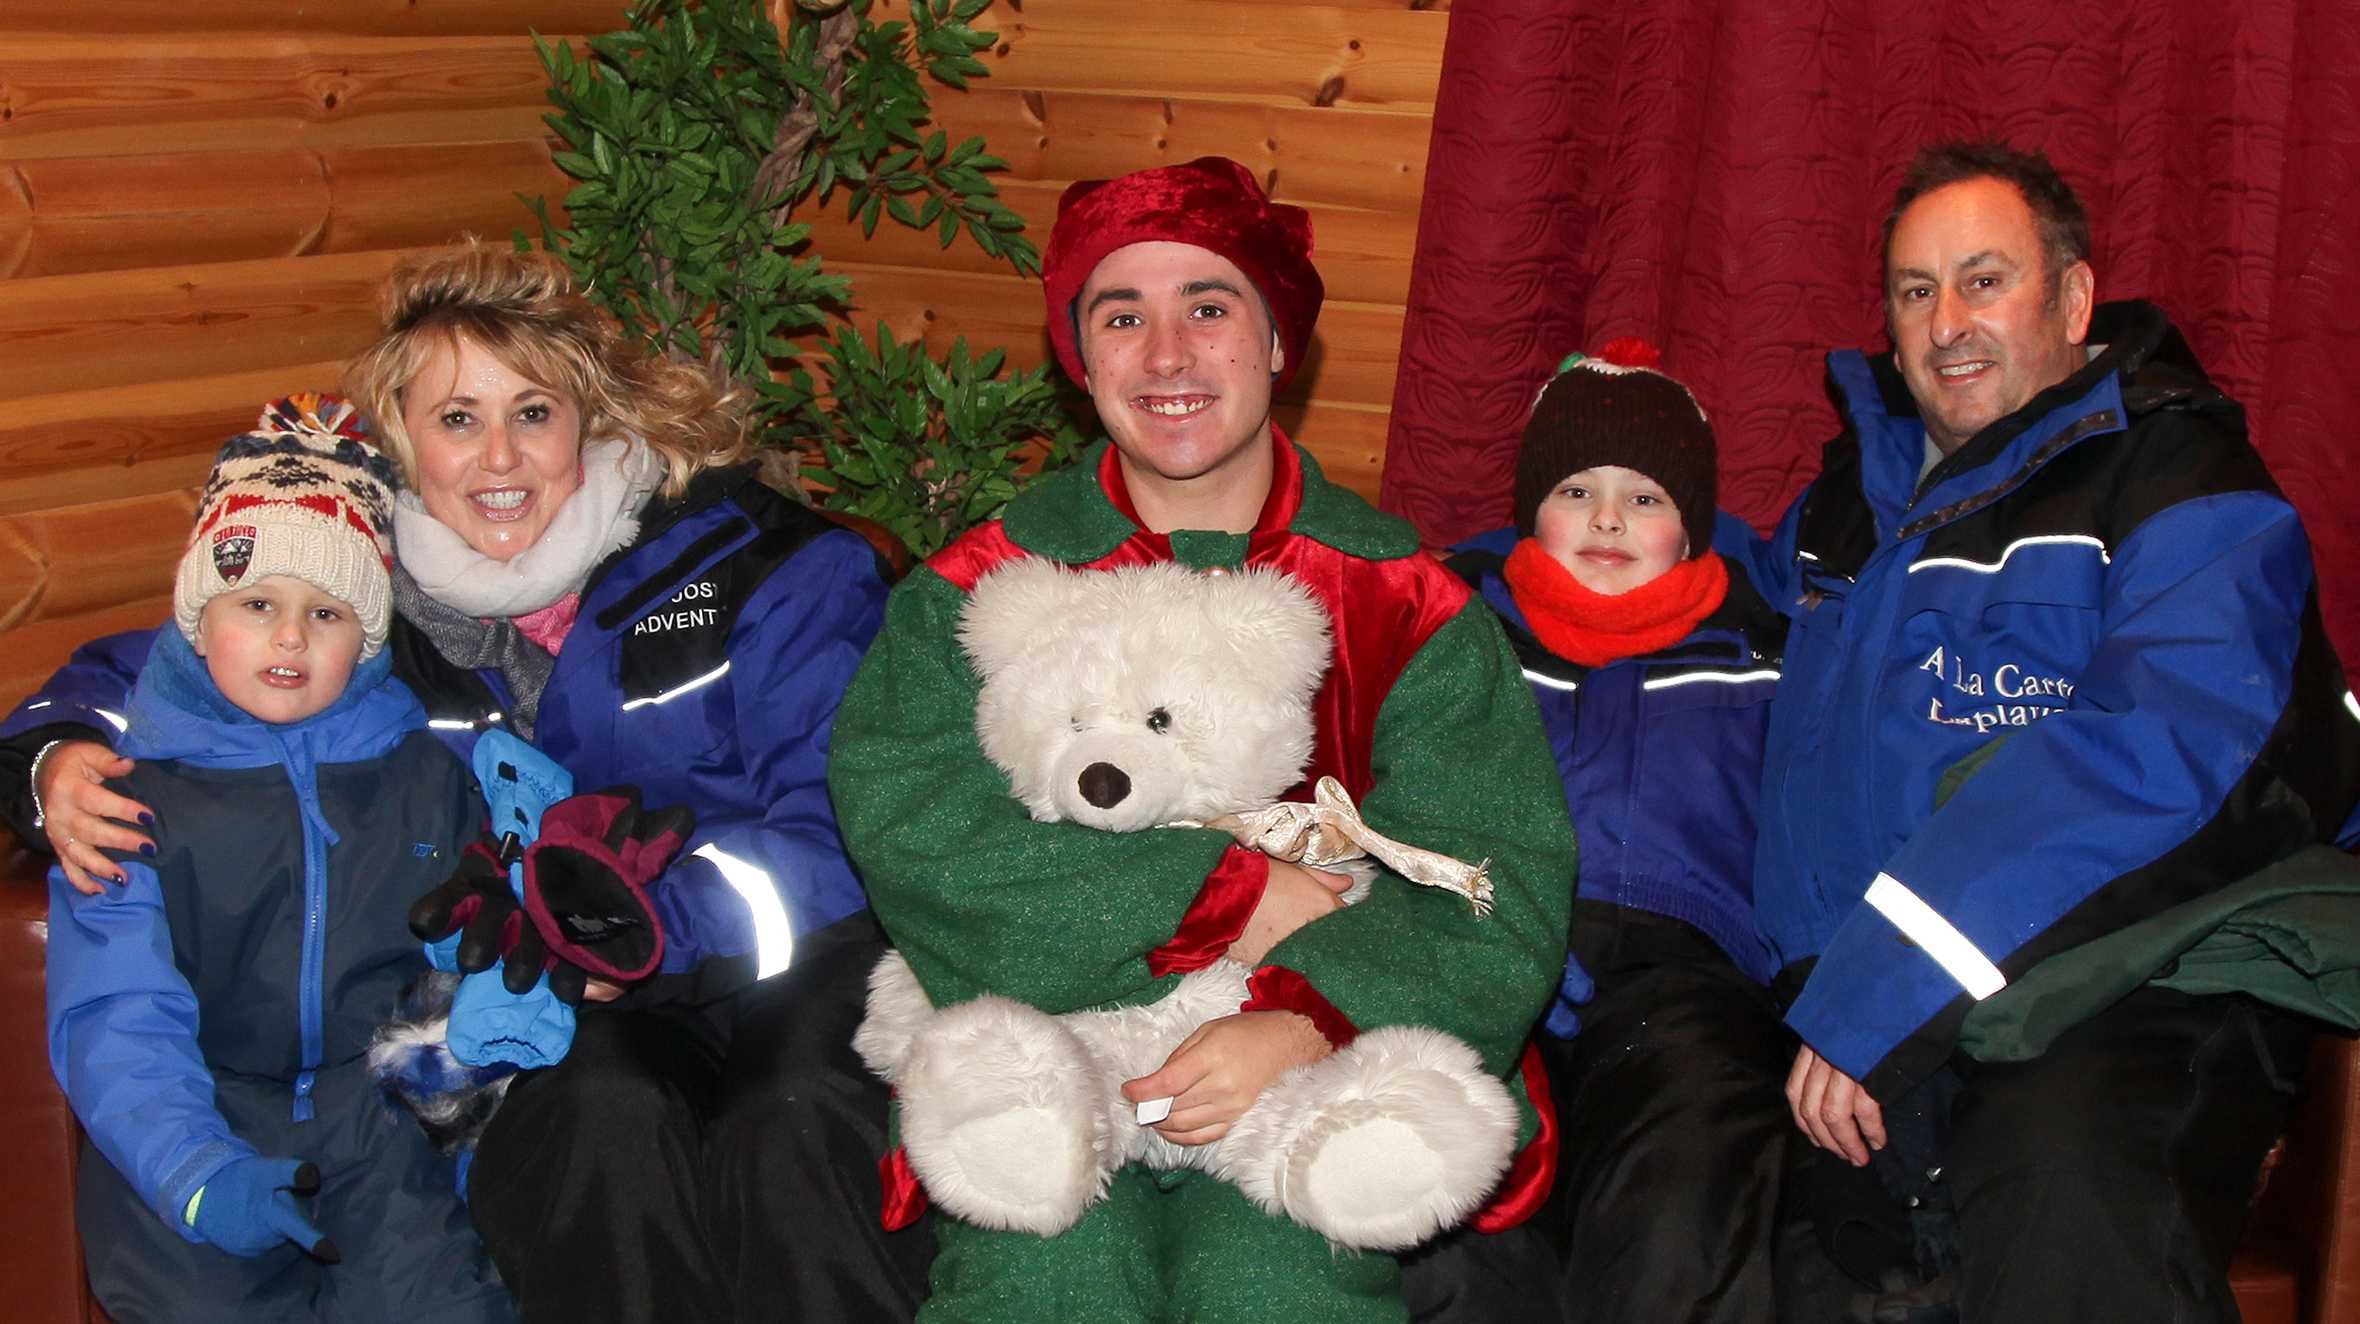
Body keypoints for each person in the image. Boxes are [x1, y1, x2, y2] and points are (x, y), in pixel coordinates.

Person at [2, 246, 891, 1321]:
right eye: (456, 420)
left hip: (788, 960)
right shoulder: (370, 613)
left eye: (533, 411)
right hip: (576, 998)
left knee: (789, 1123)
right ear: (401, 441)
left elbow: (843, 820)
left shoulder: (756, 560)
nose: (498, 458)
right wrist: (52, 751)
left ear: (594, 417)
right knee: (595, 1117)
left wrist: (639, 923)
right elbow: (189, 654)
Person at [824, 155, 1576, 1323]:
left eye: (1209, 309)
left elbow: (1494, 887)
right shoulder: (975, 590)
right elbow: (919, 837)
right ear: (1080, 357)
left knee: (1272, 1287)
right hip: (1050, 1067)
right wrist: (1223, 896)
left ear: (1279, 343)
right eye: (1122, 316)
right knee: (1039, 1279)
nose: (1166, 357)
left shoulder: (1403, 601)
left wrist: (1298, 1016)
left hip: (1307, 1080)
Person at [1752, 140, 2360, 1321]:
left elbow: (2166, 750)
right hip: (1853, 1014)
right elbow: (1702, 626)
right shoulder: (1844, 510)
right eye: (1914, 292)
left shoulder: (2183, 476)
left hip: (2131, 979)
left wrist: (1879, 992)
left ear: (2073, 298)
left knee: (2058, 1194)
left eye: (1983, 280)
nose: (1945, 324)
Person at [46, 405, 512, 1323]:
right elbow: (116, 1013)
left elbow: (476, 953)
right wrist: (192, 1174)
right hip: (196, 1115)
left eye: (327, 613)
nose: (290, 639)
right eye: (257, 604)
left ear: (368, 638)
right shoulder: (127, 794)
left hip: (383, 1123)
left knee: (446, 1302)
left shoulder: (424, 774)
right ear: (198, 615)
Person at [1446, 340, 1791, 1324]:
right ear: (1528, 510)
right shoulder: (1454, 623)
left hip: (1686, 972)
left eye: (1644, 497)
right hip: (1483, 954)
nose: (1606, 517)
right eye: (1574, 488)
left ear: (1691, 526)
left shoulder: (1763, 644)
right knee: (1444, 1203)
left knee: (1683, 1192)